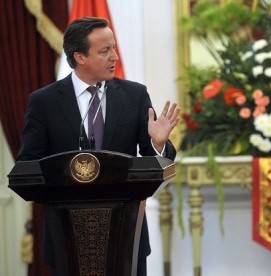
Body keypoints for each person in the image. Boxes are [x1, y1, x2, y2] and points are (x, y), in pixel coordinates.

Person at [16, 17, 180, 276]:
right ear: (79, 56)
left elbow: (154, 163)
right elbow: (26, 167)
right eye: (105, 51)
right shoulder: (44, 102)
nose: (115, 56)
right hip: (67, 237)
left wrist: (158, 144)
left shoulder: (135, 95)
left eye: (113, 47)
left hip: (127, 236)